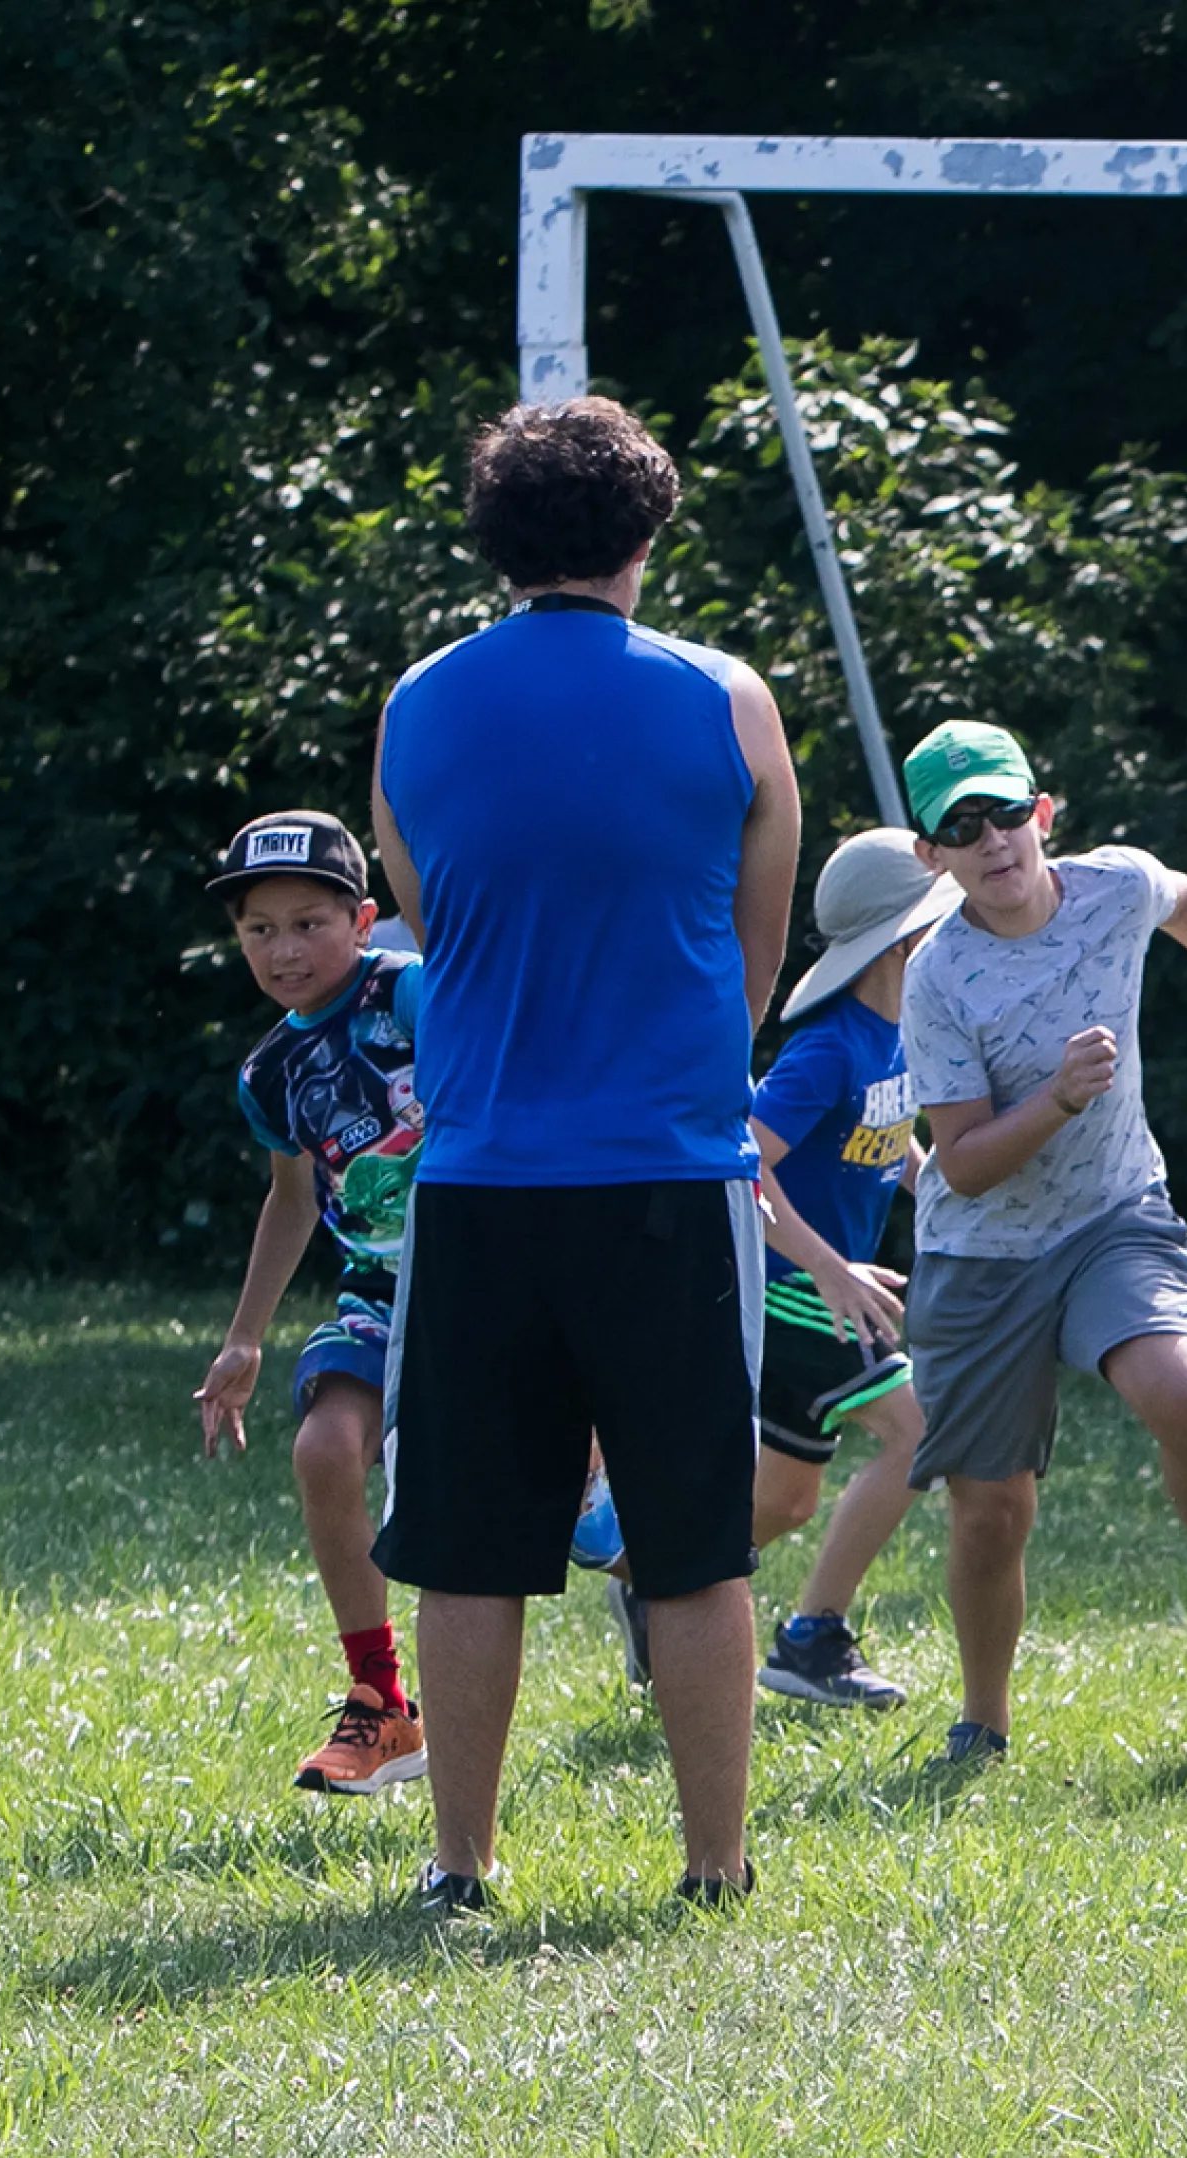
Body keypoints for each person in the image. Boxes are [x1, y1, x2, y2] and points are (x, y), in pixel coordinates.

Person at [368, 394, 800, 1912]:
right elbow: (759, 952)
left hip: (481, 1184)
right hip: (671, 1180)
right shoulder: (729, 700)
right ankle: (713, 1866)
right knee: (693, 1541)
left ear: (496, 540)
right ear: (643, 533)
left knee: (470, 1545)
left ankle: (463, 1867)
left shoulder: (417, 706)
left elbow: (428, 913)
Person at [896, 719, 1187, 1771]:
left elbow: (1180, 897)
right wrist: (1056, 1097)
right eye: (961, 828)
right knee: (991, 1512)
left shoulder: (1113, 886)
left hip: (1112, 1213)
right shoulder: (938, 976)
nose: (994, 841)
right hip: (982, 1253)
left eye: (1007, 813)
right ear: (933, 857)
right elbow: (958, 1162)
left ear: (1043, 814)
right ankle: (983, 1721)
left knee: (1182, 1391)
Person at [192, 811, 432, 1797]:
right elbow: (293, 1199)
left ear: (365, 917)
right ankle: (381, 1703)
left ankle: (660, 1609)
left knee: (595, 1538)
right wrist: (245, 1338)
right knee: (325, 1447)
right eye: (259, 930)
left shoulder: (415, 996)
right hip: (378, 1288)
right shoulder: (269, 1073)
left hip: (494, 1277)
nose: (284, 950)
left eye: (309, 923)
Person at [749, 829, 961, 1710]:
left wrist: (940, 1187)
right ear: (908, 942)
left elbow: (888, 1136)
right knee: (921, 1435)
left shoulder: (905, 1034)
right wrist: (834, 1269)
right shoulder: (828, 1048)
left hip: (828, 1287)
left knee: (788, 1501)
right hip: (790, 1288)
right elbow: (742, 1161)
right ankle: (811, 1638)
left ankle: (657, 1583)